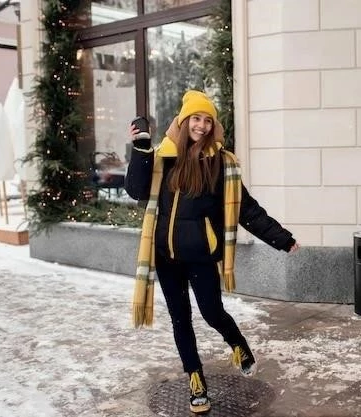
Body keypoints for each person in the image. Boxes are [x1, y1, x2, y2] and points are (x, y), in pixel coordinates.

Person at [125, 90, 300, 414]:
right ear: (184, 120)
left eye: (208, 120)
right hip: (165, 257)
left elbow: (246, 210)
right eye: (196, 118)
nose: (202, 126)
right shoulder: (163, 156)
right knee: (181, 320)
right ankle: (195, 379)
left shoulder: (222, 164)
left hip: (202, 255)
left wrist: (281, 238)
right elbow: (135, 190)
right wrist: (139, 149)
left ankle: (238, 344)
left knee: (212, 313)